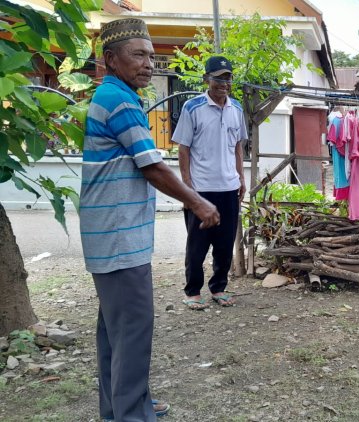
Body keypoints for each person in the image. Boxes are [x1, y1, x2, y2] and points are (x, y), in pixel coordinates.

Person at [80, 18, 220, 422]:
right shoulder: (119, 100)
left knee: (116, 332)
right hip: (117, 240)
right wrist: (199, 204)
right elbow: (153, 167)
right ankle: (131, 414)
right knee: (133, 331)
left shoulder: (114, 95)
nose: (148, 64)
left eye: (152, 56)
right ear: (110, 59)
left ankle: (123, 407)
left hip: (112, 236)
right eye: (138, 55)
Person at [172, 56, 248, 310]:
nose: (223, 83)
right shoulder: (192, 108)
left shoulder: (236, 109)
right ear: (206, 79)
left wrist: (241, 177)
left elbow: (238, 147)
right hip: (201, 189)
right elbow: (183, 149)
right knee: (197, 243)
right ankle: (192, 291)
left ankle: (219, 287)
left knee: (225, 243)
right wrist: (187, 187)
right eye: (218, 78)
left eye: (227, 78)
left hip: (229, 187)